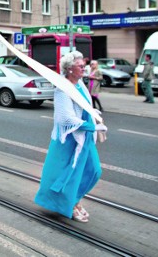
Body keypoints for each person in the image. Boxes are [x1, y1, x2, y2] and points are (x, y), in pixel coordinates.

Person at [35, 51, 107, 223]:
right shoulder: (62, 89)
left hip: (85, 138)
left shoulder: (80, 84)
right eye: (80, 65)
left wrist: (94, 113)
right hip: (70, 140)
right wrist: (92, 126)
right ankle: (70, 204)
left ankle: (73, 200)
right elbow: (65, 118)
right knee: (70, 175)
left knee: (94, 171)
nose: (84, 67)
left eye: (84, 65)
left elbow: (85, 106)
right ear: (69, 69)